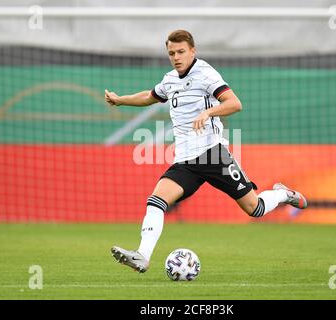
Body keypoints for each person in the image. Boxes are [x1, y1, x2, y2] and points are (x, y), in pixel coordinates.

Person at [105, 30, 307, 273]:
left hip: (213, 154)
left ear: (193, 51)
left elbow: (234, 103)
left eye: (181, 52)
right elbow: (150, 96)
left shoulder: (206, 73)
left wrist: (208, 112)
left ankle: (283, 194)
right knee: (156, 200)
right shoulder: (170, 79)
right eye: (171, 53)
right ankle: (142, 255)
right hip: (185, 161)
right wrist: (121, 100)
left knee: (255, 209)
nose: (176, 57)